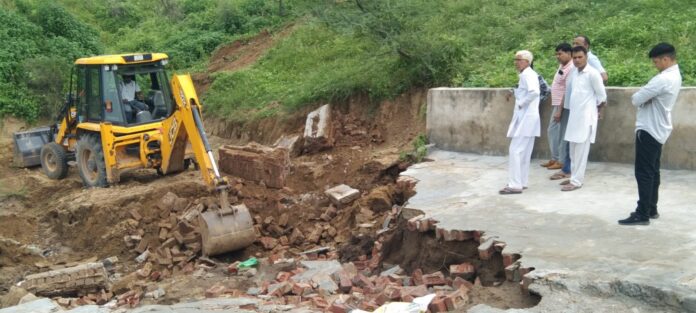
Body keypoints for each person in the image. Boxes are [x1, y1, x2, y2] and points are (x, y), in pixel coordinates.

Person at [618, 43, 682, 226]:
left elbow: (636, 99)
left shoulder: (662, 79)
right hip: (659, 128)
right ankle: (651, 208)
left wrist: (645, 98)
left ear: (666, 59)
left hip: (649, 129)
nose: (655, 65)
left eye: (656, 61)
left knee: (644, 172)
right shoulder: (675, 75)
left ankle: (642, 213)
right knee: (653, 171)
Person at [561, 46, 606, 191]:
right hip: (574, 117)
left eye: (580, 57)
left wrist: (598, 111)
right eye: (574, 58)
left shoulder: (593, 74)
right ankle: (573, 177)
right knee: (573, 150)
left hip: (586, 118)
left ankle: (576, 182)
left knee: (581, 151)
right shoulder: (574, 73)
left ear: (586, 57)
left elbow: (602, 97)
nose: (577, 60)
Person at [500, 50, 540, 195]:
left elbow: (534, 92)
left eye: (519, 59)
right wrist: (515, 93)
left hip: (526, 117)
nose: (516, 62)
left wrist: (522, 103)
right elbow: (526, 91)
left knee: (515, 150)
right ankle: (521, 182)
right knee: (524, 151)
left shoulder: (527, 74)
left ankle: (515, 184)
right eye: (515, 59)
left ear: (527, 61)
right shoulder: (527, 74)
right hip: (529, 117)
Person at [540, 43, 574, 170]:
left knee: (560, 133)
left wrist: (559, 110)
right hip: (557, 103)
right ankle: (555, 158)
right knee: (553, 131)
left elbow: (566, 90)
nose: (557, 56)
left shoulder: (571, 68)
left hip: (563, 105)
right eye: (557, 54)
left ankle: (561, 160)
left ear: (569, 53)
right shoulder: (563, 66)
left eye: (560, 54)